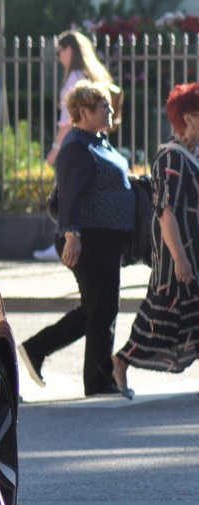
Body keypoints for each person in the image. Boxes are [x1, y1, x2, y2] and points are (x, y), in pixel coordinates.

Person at [18, 79, 136, 398]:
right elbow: (69, 196)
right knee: (105, 307)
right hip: (88, 239)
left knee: (95, 307)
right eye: (104, 107)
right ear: (83, 111)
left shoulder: (97, 141)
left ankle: (36, 349)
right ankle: (98, 383)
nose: (111, 110)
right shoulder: (76, 147)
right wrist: (73, 235)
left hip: (103, 240)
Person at [112, 83, 199, 397]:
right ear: (188, 119)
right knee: (160, 318)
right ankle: (121, 362)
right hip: (179, 254)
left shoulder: (192, 154)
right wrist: (180, 259)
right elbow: (166, 212)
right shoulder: (170, 158)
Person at [36, 31, 117, 259]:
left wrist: (55, 147)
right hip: (93, 143)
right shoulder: (91, 73)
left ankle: (64, 238)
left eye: (59, 51)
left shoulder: (74, 78)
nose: (59, 56)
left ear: (69, 50)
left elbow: (67, 119)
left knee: (66, 192)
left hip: (73, 142)